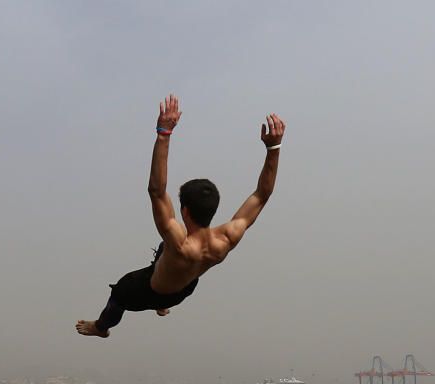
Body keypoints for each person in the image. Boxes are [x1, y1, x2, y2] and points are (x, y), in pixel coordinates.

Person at [76, 94, 285, 338]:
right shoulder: (227, 238)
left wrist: (163, 133)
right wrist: (274, 148)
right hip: (185, 289)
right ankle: (162, 304)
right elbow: (261, 195)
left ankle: (101, 329)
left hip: (152, 290)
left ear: (184, 210)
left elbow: (156, 191)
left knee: (119, 293)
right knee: (165, 248)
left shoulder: (178, 241)